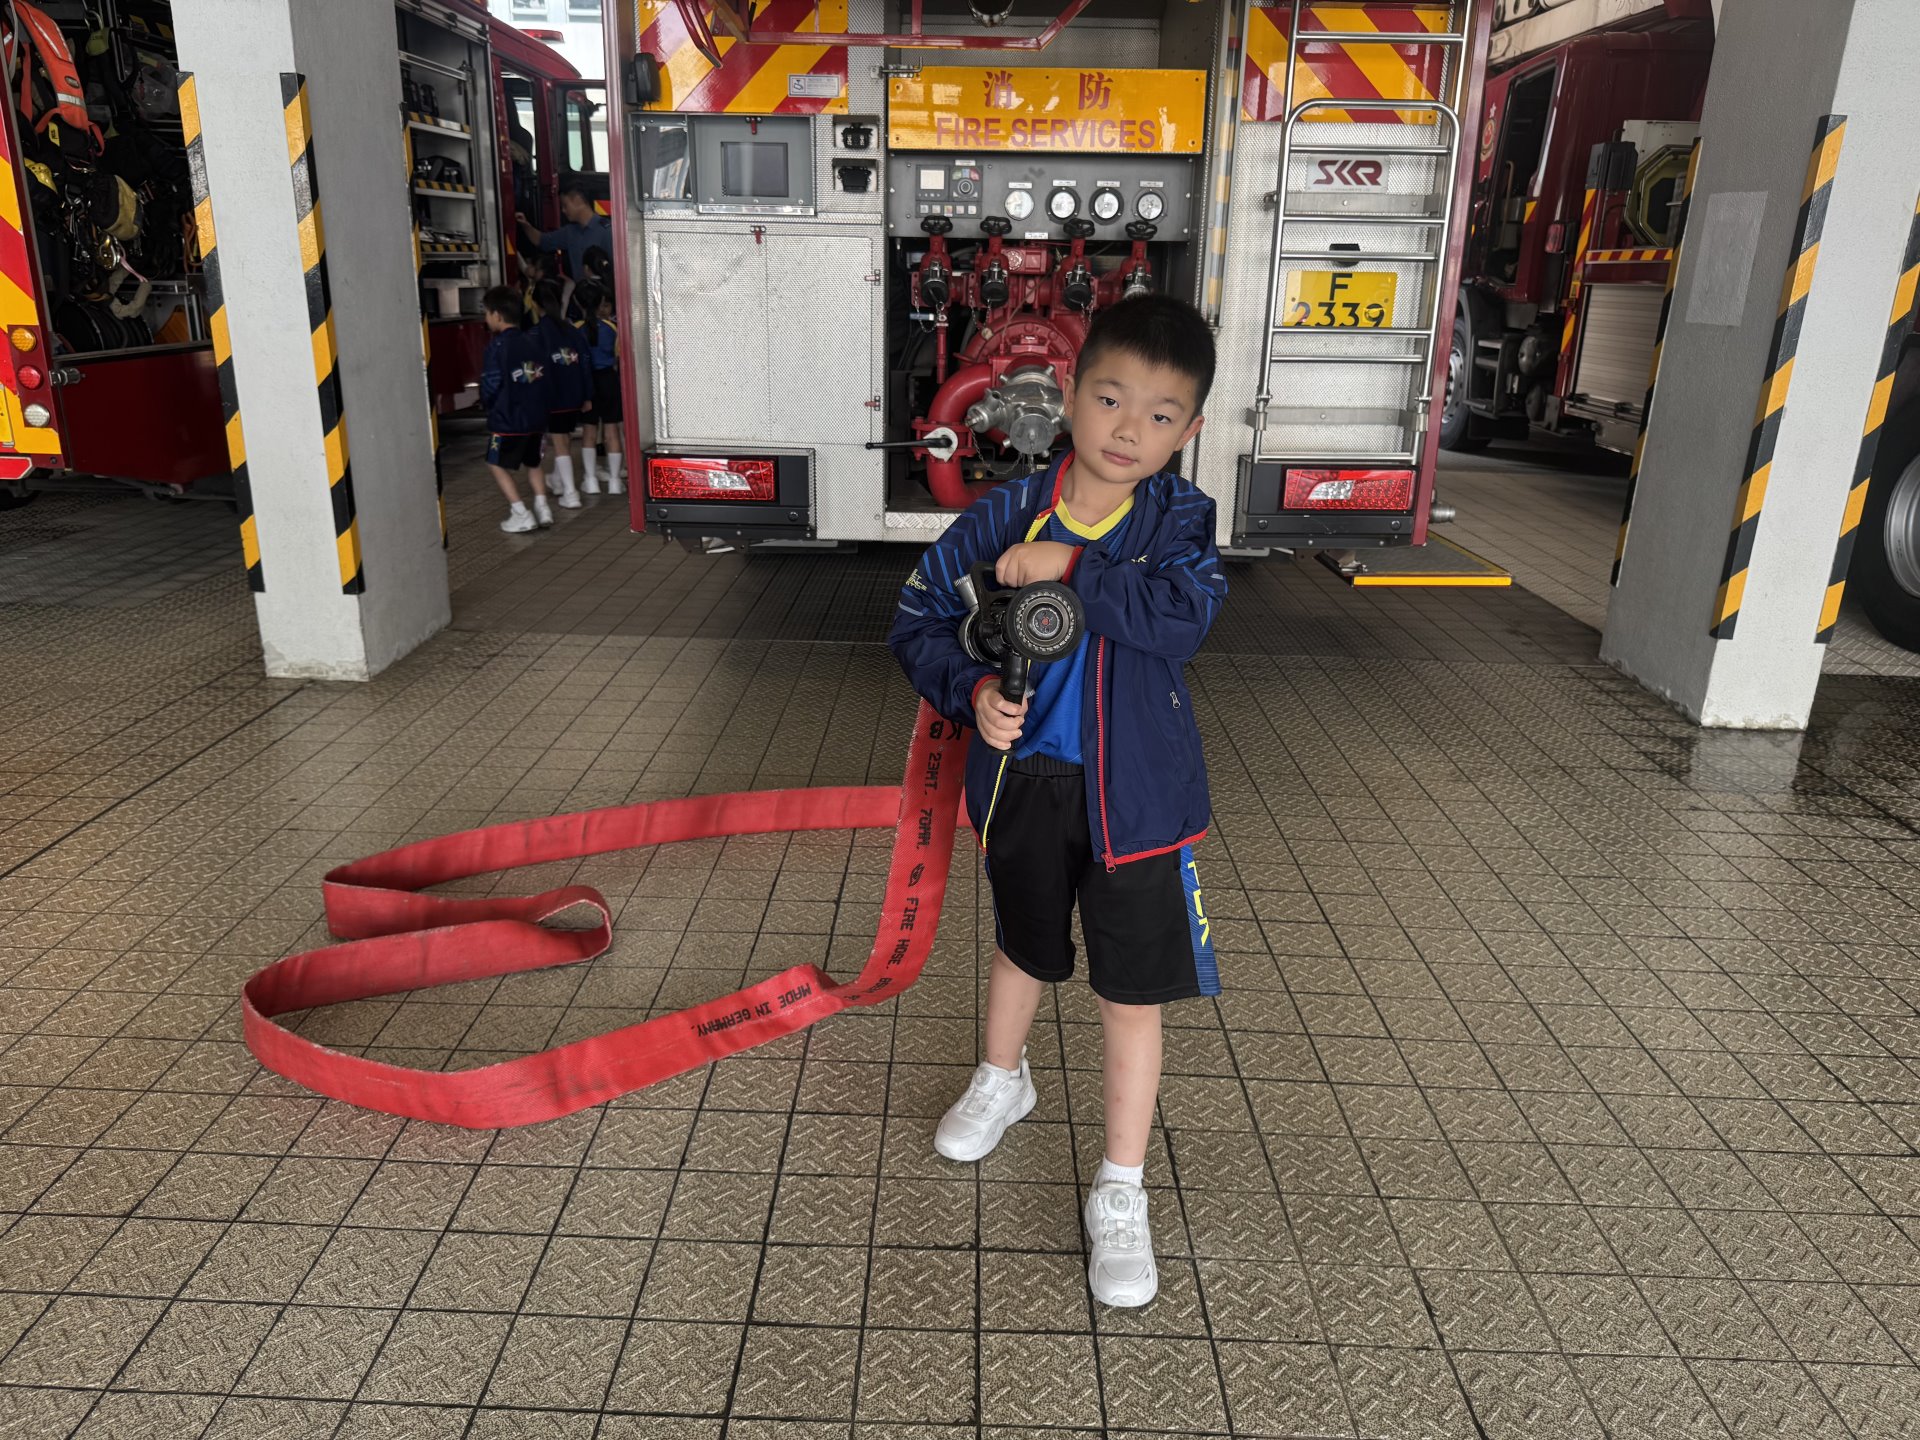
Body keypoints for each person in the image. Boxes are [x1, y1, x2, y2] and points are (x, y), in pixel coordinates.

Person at [887, 294, 1227, 1310]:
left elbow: (1185, 617)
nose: (1129, 430)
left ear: (1189, 430)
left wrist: (1073, 569)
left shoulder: (1179, 522)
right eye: (1110, 399)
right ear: (1068, 395)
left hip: (1138, 803)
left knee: (1132, 993)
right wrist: (972, 690)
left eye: (1160, 414)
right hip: (1024, 785)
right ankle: (1005, 1079)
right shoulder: (1005, 514)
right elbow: (916, 618)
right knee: (1023, 946)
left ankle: (1121, 1187)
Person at [479, 286, 553, 534]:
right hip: (537, 417)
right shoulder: (534, 341)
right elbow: (546, 379)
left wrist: (488, 404)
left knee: (495, 462)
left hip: (508, 419)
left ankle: (521, 512)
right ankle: (543, 508)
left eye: (486, 313)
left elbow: (491, 383)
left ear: (497, 315)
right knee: (534, 462)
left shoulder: (497, 347)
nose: (486, 318)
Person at [532, 278, 591, 508]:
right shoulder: (573, 331)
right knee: (564, 439)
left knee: (559, 443)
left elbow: (536, 370)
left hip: (552, 397)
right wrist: (587, 395)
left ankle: (570, 493)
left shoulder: (536, 334)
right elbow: (585, 363)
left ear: (535, 304)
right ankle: (557, 482)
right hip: (574, 395)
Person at [573, 280, 624, 495]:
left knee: (589, 432)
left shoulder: (575, 329)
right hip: (608, 380)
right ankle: (615, 481)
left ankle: (591, 480)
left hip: (587, 382)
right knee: (612, 430)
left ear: (578, 302)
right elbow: (617, 356)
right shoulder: (612, 327)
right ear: (600, 302)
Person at [518, 181, 611, 282]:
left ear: (577, 201)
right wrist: (525, 224)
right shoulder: (569, 232)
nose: (563, 210)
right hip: (580, 290)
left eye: (565, 205)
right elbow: (542, 241)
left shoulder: (606, 231)